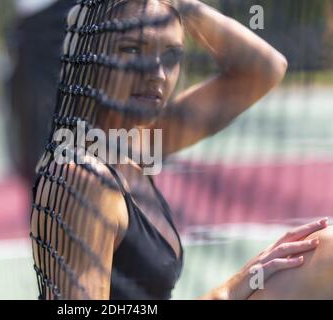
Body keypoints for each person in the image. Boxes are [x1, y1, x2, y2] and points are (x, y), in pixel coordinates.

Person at [30, 0, 332, 300]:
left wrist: (181, 4)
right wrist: (224, 292)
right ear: (91, 56)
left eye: (171, 55)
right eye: (132, 49)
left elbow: (264, 68)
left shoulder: (136, 145)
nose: (157, 74)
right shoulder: (82, 179)